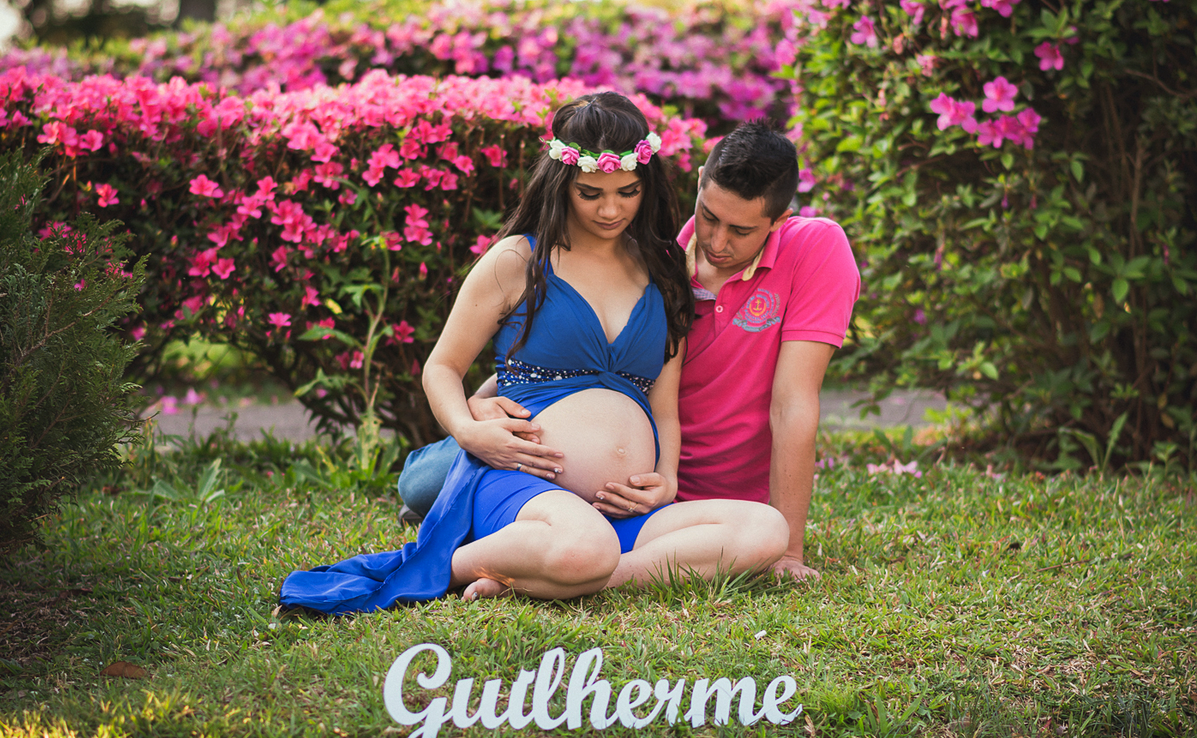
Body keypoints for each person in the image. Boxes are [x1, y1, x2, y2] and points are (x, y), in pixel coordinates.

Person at [280, 93, 788, 615]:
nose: (611, 209)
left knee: (766, 528)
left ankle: (577, 574)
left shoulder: (661, 268)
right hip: (523, 485)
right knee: (582, 546)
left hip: (622, 510)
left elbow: (664, 405)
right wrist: (469, 429)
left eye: (627, 192)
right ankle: (458, 564)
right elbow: (442, 367)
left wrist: (668, 479)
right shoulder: (518, 260)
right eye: (591, 193)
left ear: (646, 184)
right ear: (562, 182)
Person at [398, 122, 860, 583]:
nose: (717, 243)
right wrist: (475, 408)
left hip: (654, 491)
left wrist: (786, 550)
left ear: (779, 220)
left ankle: (571, 569)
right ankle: (525, 550)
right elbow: (564, 357)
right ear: (699, 182)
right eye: (709, 217)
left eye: (740, 230)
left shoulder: (681, 266)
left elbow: (791, 403)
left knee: (763, 534)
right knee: (423, 484)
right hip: (543, 461)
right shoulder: (666, 259)